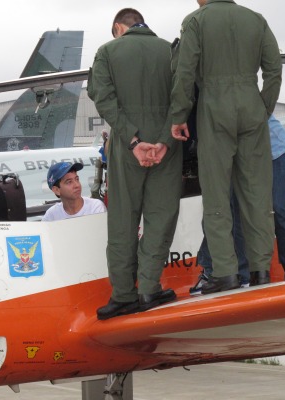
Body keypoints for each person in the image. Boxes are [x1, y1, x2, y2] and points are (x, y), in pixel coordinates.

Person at [170, 0, 282, 294]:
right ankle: (260, 271)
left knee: (217, 193)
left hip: (214, 107)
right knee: (257, 194)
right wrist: (263, 107)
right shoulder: (256, 19)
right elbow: (274, 68)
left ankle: (225, 272)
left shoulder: (196, 21)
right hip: (251, 105)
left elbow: (184, 71)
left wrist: (180, 114)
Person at [88, 8, 182, 320]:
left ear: (118, 27)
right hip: (166, 145)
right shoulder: (169, 50)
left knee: (122, 221)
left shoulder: (107, 52)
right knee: (159, 217)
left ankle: (123, 296)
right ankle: (149, 289)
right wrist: (164, 142)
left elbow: (102, 98)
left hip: (126, 147)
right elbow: (183, 97)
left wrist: (132, 141)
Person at [191, 115, 285, 294]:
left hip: (278, 154)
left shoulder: (241, 99)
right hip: (248, 163)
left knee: (278, 208)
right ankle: (242, 277)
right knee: (239, 212)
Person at [42, 161, 106, 222]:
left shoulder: (95, 207)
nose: (77, 185)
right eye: (69, 182)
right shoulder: (51, 216)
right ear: (56, 190)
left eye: (77, 179)